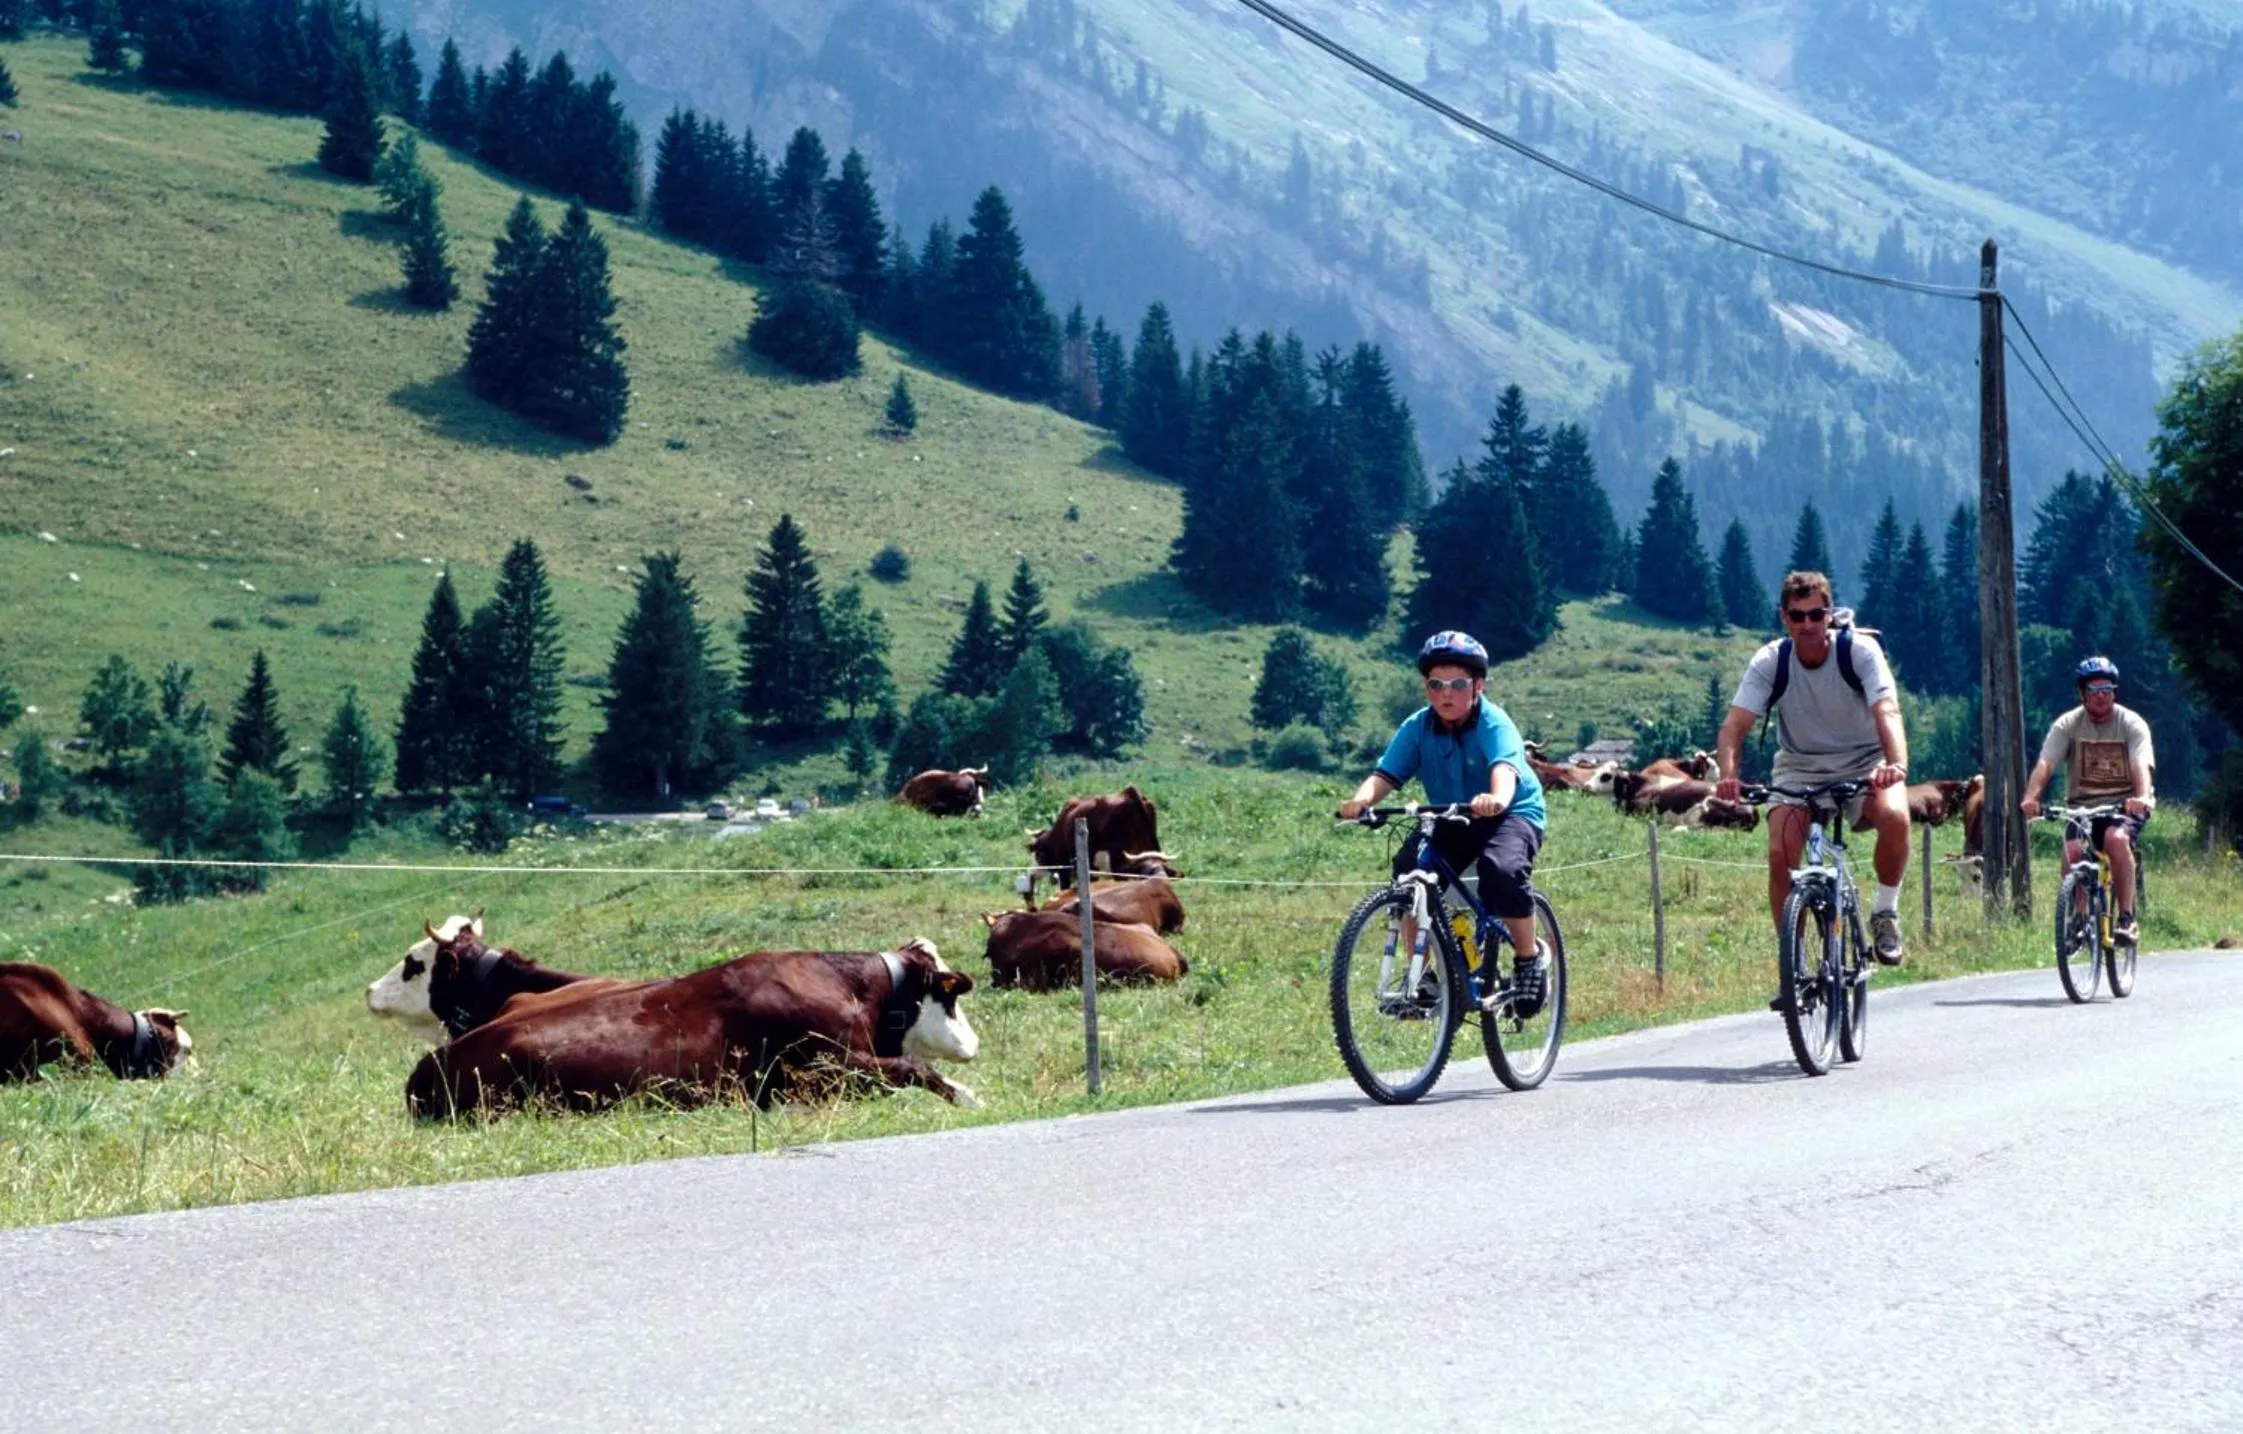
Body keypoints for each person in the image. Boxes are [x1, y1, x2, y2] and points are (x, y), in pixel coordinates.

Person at [1338, 631, 1550, 1012]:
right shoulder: (1417, 727)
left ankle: (1528, 958)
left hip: (1511, 812)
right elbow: (1385, 775)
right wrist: (1360, 801)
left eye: (1458, 685)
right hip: (1452, 814)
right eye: (1436, 685)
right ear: (1426, 688)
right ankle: (1422, 977)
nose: (1446, 694)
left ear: (1478, 686)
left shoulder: (1495, 724)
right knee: (1408, 870)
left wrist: (1496, 798)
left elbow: (1504, 769)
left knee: (1501, 871)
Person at [1713, 571, 1913, 969]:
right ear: (1784, 617)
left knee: (1895, 817)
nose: (1807, 624)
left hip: (1866, 763)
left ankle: (1885, 914)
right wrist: (1727, 776)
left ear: (1829, 614)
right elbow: (1734, 727)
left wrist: (1895, 764)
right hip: (1799, 768)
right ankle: (1793, 962)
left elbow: (1887, 710)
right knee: (1780, 852)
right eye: (1797, 616)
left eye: (1816, 615)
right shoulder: (1771, 661)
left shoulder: (1859, 652)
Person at [2019, 655, 2154, 945]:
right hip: (2083, 807)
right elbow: (2046, 763)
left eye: (2107, 688)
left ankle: (2126, 918)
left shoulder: (2131, 724)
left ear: (2115, 691)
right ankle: (2079, 918)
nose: (2101, 695)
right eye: (2094, 689)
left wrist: (2141, 796)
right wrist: (2031, 798)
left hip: (2124, 805)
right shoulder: (2068, 724)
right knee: (2073, 851)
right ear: (2082, 694)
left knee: (2116, 840)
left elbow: (2140, 763)